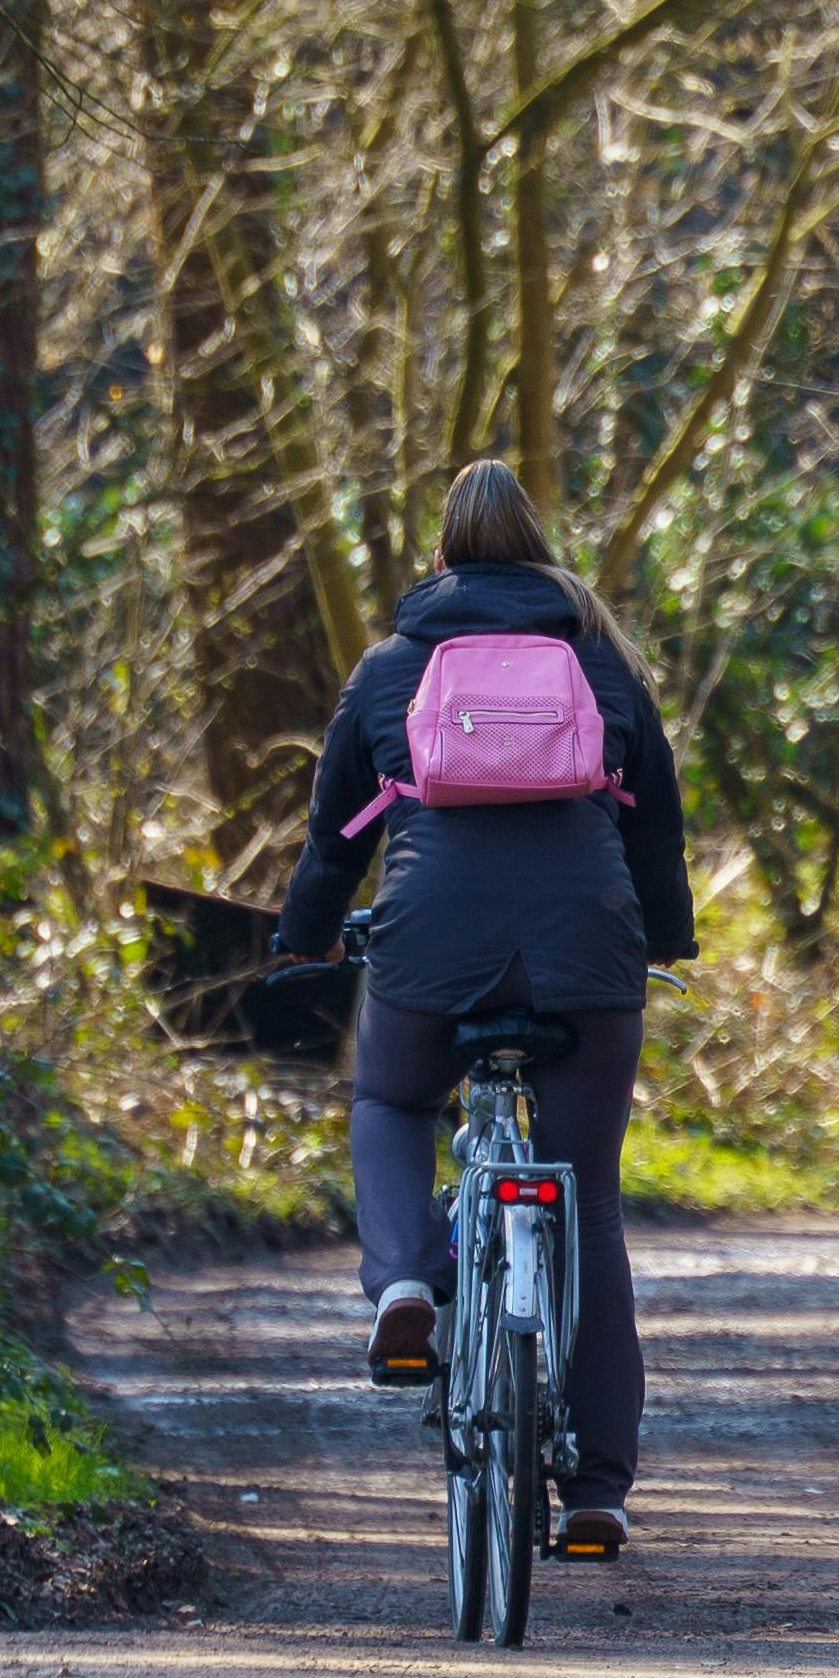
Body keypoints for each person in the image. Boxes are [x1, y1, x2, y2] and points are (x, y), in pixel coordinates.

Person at [272, 458, 695, 1557]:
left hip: (433, 933)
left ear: (442, 554)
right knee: (588, 1204)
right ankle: (597, 1491)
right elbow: (654, 829)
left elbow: (337, 834)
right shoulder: (600, 661)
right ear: (541, 543)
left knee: (393, 1100)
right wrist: (663, 938)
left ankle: (407, 1277)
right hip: (586, 937)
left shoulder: (389, 668)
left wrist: (303, 932)